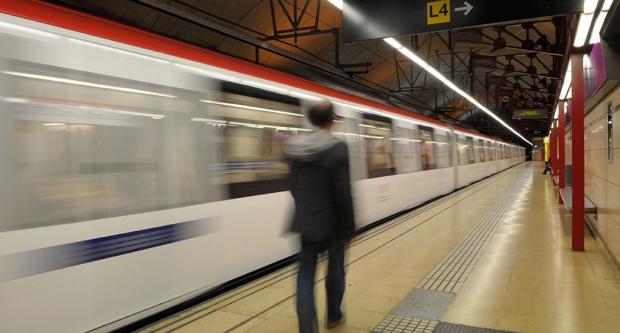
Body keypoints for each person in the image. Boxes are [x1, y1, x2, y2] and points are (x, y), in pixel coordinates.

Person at [285, 102, 356, 333]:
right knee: (335, 270)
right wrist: (349, 229)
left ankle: (307, 328)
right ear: (331, 121)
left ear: (312, 121)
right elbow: (343, 193)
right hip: (333, 224)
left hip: (306, 222)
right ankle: (333, 316)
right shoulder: (338, 148)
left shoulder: (295, 149)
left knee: (305, 274)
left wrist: (307, 209)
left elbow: (294, 187)